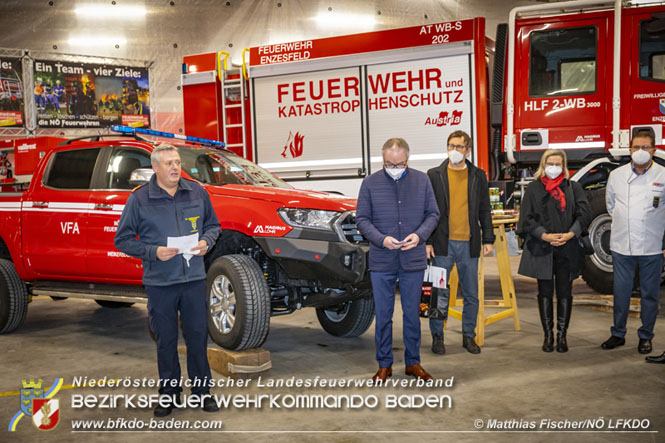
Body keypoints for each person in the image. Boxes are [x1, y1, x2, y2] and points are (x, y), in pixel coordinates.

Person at [115, 144, 221, 417]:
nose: (175, 167)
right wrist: (154, 252)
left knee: (198, 336)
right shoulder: (139, 200)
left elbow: (213, 225)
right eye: (169, 163)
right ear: (156, 168)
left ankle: (202, 392)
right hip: (160, 282)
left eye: (177, 162)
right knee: (166, 340)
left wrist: (206, 242)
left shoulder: (197, 191)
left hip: (194, 278)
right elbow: (122, 239)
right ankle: (169, 393)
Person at [356, 137, 440, 382]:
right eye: (389, 164)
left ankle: (413, 363)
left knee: (412, 314)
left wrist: (419, 235)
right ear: (382, 160)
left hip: (412, 259)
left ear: (407, 160)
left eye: (399, 164)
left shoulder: (422, 180)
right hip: (382, 260)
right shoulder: (370, 183)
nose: (395, 168)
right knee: (383, 315)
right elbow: (362, 219)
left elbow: (433, 214)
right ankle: (384, 364)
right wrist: (381, 239)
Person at [425, 130, 494, 355]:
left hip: (468, 244)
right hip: (441, 244)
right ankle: (437, 336)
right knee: (438, 293)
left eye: (459, 147)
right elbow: (426, 211)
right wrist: (426, 241)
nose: (454, 150)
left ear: (468, 150)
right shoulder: (434, 175)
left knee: (471, 294)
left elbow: (485, 209)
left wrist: (488, 238)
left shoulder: (478, 176)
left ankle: (468, 336)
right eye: (451, 146)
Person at [517, 150, 591, 353]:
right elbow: (527, 219)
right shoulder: (534, 188)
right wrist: (544, 236)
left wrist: (570, 234)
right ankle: (548, 335)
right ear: (543, 164)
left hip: (567, 247)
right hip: (543, 247)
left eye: (558, 164)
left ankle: (562, 335)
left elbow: (583, 214)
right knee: (545, 292)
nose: (554, 167)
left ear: (564, 166)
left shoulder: (573, 188)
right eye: (550, 163)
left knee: (565, 291)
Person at [601, 131, 665, 354]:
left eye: (645, 147)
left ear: (654, 150)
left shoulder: (663, 174)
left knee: (649, 294)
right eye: (636, 147)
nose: (640, 151)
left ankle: (645, 336)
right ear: (629, 150)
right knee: (621, 292)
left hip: (652, 246)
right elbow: (611, 206)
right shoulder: (616, 175)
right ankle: (618, 333)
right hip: (622, 245)